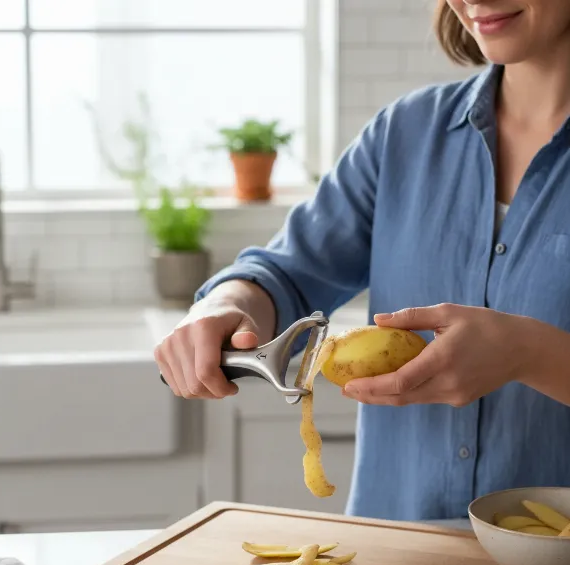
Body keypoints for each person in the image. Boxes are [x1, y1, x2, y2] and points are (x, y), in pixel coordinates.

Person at [154, 0, 570, 521]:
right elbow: (284, 273)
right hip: (389, 562)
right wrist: (223, 305)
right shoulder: (403, 135)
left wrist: (529, 354)